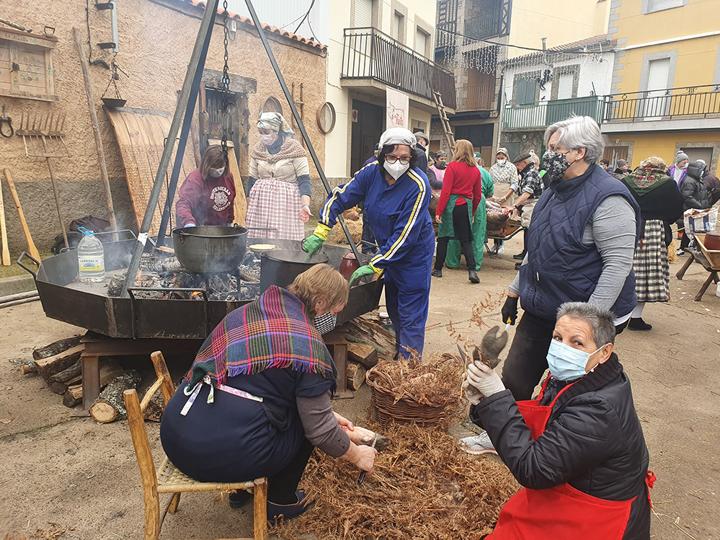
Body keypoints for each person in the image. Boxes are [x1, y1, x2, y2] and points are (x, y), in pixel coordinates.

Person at [160, 265, 377, 523]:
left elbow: (257, 385)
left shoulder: (250, 312)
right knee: (302, 426)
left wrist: (327, 414)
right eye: (333, 312)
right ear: (319, 303)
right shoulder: (307, 346)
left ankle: (240, 491)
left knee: (243, 401)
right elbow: (320, 432)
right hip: (215, 457)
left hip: (177, 438)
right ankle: (280, 502)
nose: (333, 319)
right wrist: (357, 455)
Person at [464, 302, 652, 539]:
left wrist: (497, 397)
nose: (563, 348)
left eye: (577, 342)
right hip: (566, 484)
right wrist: (484, 402)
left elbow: (533, 469)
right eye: (557, 337)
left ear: (604, 352)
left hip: (593, 512)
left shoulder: (599, 409)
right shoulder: (577, 377)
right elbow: (537, 423)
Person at [498, 116, 640, 405]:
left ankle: (552, 441)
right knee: (515, 376)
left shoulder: (609, 199)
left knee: (566, 386)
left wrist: (586, 323)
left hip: (584, 311)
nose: (548, 155)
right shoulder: (553, 190)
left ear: (580, 152)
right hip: (544, 305)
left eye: (556, 149)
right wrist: (515, 292)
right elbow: (537, 249)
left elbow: (617, 267)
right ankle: (504, 431)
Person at [303, 128, 434, 358]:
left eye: (404, 158)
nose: (398, 163)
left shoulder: (418, 184)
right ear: (382, 155)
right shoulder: (371, 173)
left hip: (413, 254)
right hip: (388, 250)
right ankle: (400, 351)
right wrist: (322, 229)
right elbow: (341, 196)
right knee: (394, 307)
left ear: (412, 158)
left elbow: (406, 234)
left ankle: (409, 369)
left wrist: (376, 263)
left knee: (410, 311)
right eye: (392, 157)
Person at [621, 157, 684, 331]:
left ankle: (617, 315)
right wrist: (664, 221)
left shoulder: (626, 181)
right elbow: (677, 208)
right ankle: (635, 317)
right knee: (645, 275)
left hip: (627, 226)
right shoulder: (668, 184)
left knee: (622, 269)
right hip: (654, 231)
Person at [246, 112, 312, 241]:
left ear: (277, 131)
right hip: (261, 204)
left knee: (283, 242)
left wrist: (305, 205)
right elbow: (251, 180)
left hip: (286, 204)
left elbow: (304, 180)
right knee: (259, 241)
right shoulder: (257, 150)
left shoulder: (294, 149)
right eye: (261, 132)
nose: (263, 135)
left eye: (266, 132)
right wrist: (248, 209)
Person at [432, 140, 482, 284]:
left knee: (443, 238)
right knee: (466, 240)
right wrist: (471, 212)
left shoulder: (452, 167)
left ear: (458, 150)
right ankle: (472, 271)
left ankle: (438, 269)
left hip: (451, 205)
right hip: (465, 205)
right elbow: (477, 195)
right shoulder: (475, 170)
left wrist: (438, 211)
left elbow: (446, 191)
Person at [445, 153, 494, 273]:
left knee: (454, 232)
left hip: (456, 200)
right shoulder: (483, 172)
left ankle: (452, 262)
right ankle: (475, 264)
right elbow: (490, 193)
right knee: (477, 233)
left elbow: (446, 187)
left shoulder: (452, 168)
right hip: (478, 200)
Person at [496, 152, 544, 266]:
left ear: (524, 163)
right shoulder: (526, 173)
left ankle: (527, 260)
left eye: (518, 164)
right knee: (526, 230)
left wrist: (514, 206)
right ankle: (525, 254)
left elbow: (527, 193)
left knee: (529, 231)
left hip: (533, 204)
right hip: (528, 204)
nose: (517, 167)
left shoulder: (531, 173)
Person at [176, 145, 235, 228]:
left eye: (220, 168)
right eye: (214, 168)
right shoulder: (195, 179)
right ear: (207, 165)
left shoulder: (228, 177)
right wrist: (189, 222)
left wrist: (230, 221)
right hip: (199, 228)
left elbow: (230, 202)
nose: (218, 172)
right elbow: (183, 204)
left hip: (221, 229)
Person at [488, 147, 518, 255]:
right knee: (494, 217)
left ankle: (501, 243)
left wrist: (505, 196)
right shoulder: (492, 168)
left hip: (507, 194)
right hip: (495, 195)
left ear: (506, 157)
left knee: (504, 217)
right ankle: (495, 242)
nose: (500, 159)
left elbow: (514, 184)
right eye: (498, 157)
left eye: (502, 157)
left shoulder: (512, 167)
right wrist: (493, 197)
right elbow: (490, 183)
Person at [677, 160, 712, 254]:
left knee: (696, 229)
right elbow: (687, 196)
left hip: (699, 210)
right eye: (702, 170)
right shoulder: (690, 181)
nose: (703, 172)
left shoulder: (697, 180)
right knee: (689, 229)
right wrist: (699, 205)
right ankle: (683, 247)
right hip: (692, 210)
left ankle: (691, 247)